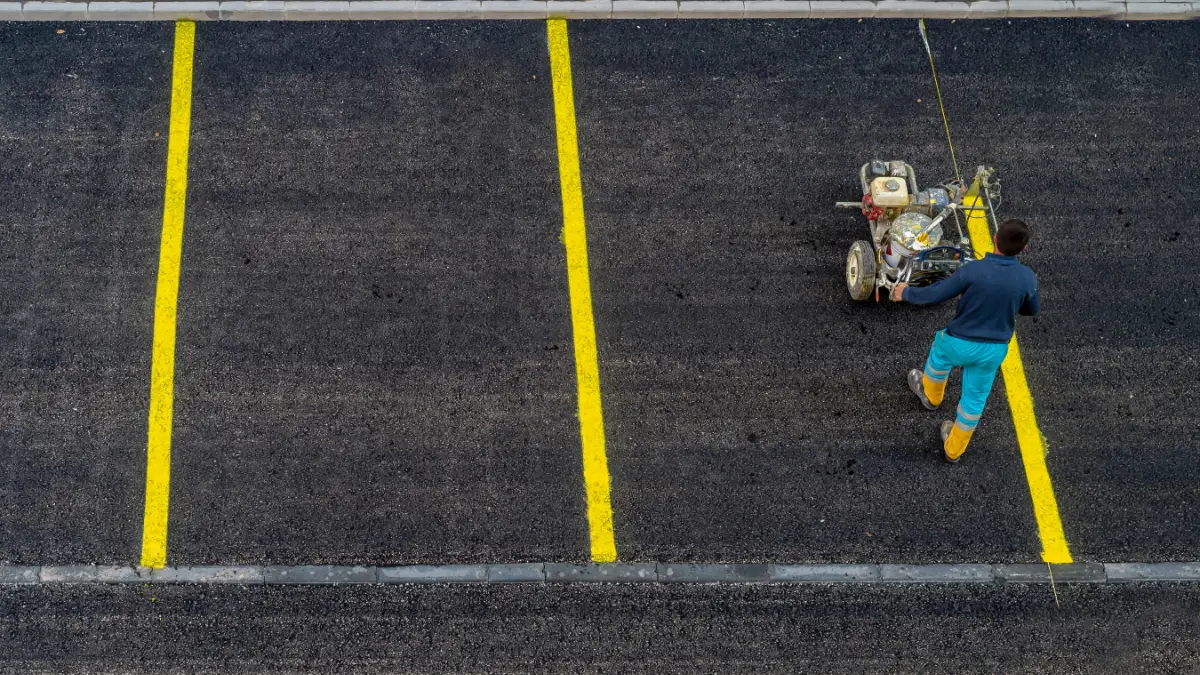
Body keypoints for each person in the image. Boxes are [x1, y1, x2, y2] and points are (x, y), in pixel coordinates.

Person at [891, 219, 1039, 463]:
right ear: (1024, 249)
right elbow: (1030, 310)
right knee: (975, 398)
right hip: (993, 350)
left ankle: (931, 396)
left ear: (994, 239)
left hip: (958, 342)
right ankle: (954, 449)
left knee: (939, 356)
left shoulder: (973, 271)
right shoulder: (1027, 278)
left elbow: (937, 293)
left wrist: (905, 292)